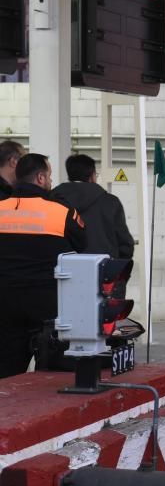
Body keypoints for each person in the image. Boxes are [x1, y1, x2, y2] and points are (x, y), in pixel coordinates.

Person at [0, 153, 87, 377]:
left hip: (5, 305)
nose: (50, 181)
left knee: (6, 378)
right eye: (48, 176)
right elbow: (82, 245)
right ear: (40, 178)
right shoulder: (62, 212)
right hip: (47, 306)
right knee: (49, 380)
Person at [51, 154, 134, 259]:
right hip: (103, 270)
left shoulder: (52, 200)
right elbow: (125, 244)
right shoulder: (111, 202)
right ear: (92, 176)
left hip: (62, 271)